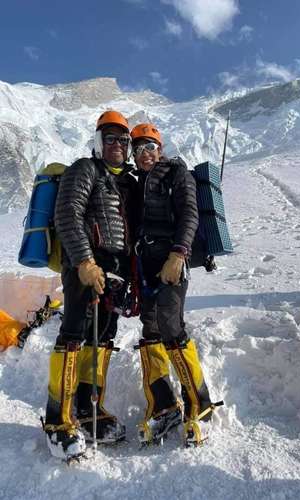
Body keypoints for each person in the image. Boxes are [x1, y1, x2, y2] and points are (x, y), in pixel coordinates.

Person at [44, 110, 137, 460]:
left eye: (122, 140)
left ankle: (88, 411)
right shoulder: (84, 169)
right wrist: (84, 262)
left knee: (103, 338)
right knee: (73, 335)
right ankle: (57, 421)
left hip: (115, 272)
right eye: (109, 138)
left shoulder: (125, 181)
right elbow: (66, 213)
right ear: (98, 143)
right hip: (85, 266)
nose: (117, 145)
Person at [131, 123, 212, 447]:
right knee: (150, 329)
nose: (144, 154)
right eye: (138, 149)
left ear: (160, 148)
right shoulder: (137, 182)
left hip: (171, 260)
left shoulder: (176, 172)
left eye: (150, 146)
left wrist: (178, 255)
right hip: (145, 264)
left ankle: (198, 403)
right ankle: (162, 404)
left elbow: (190, 214)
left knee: (170, 323)